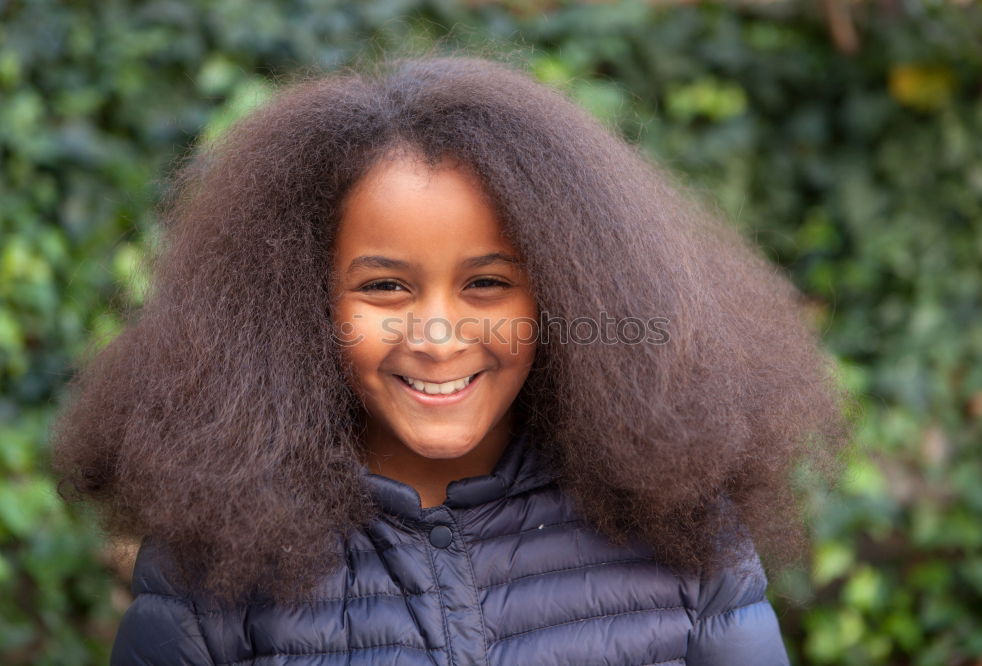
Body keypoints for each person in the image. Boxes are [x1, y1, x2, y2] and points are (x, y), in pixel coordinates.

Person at [50, 54, 853, 665]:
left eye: (488, 284)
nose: (437, 337)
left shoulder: (680, 533)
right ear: (297, 302)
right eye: (386, 286)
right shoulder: (213, 570)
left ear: (569, 293)